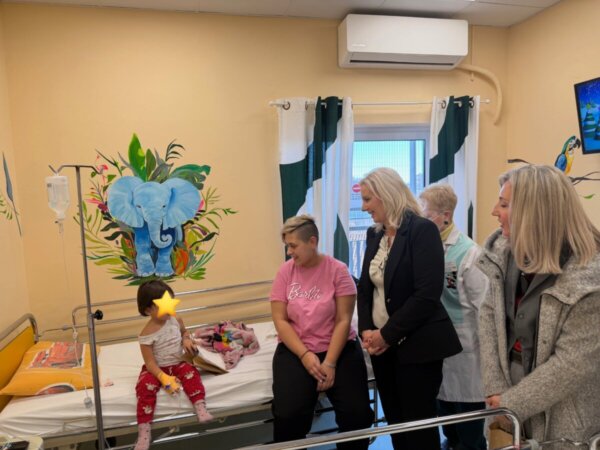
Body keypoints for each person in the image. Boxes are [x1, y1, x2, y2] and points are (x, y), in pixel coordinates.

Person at [479, 164, 600, 446]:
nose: (494, 211)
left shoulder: (589, 276)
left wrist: (511, 404)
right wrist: (496, 390)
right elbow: (488, 317)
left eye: (504, 204)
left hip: (563, 411)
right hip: (506, 396)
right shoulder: (503, 257)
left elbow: (571, 364)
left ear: (533, 213)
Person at [357, 168, 462, 450]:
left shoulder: (421, 230)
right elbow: (365, 288)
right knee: (395, 424)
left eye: (367, 199)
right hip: (382, 348)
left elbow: (426, 295)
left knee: (418, 428)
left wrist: (386, 335)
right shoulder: (374, 234)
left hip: (417, 346)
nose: (363, 207)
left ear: (386, 195)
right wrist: (366, 330)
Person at [270, 215, 374, 449]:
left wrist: (330, 363)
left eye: (293, 245)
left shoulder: (338, 271)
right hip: (296, 349)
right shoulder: (285, 273)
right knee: (288, 414)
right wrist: (305, 355)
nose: (289, 252)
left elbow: (343, 319)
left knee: (357, 414)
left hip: (339, 348)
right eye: (287, 246)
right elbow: (280, 320)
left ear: (312, 242)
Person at [419, 184, 488, 450]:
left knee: (469, 432)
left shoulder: (469, 253)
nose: (422, 222)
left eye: (427, 216)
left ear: (445, 216)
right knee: (448, 425)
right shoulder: (426, 248)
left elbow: (484, 307)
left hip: (466, 352)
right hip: (437, 350)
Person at [134, 280, 213, 450]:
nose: (170, 308)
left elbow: (184, 332)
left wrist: (186, 340)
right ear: (148, 310)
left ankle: (200, 406)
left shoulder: (175, 319)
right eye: (163, 304)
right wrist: (162, 377)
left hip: (178, 362)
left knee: (191, 373)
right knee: (144, 387)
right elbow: (150, 363)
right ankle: (144, 431)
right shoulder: (146, 335)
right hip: (158, 367)